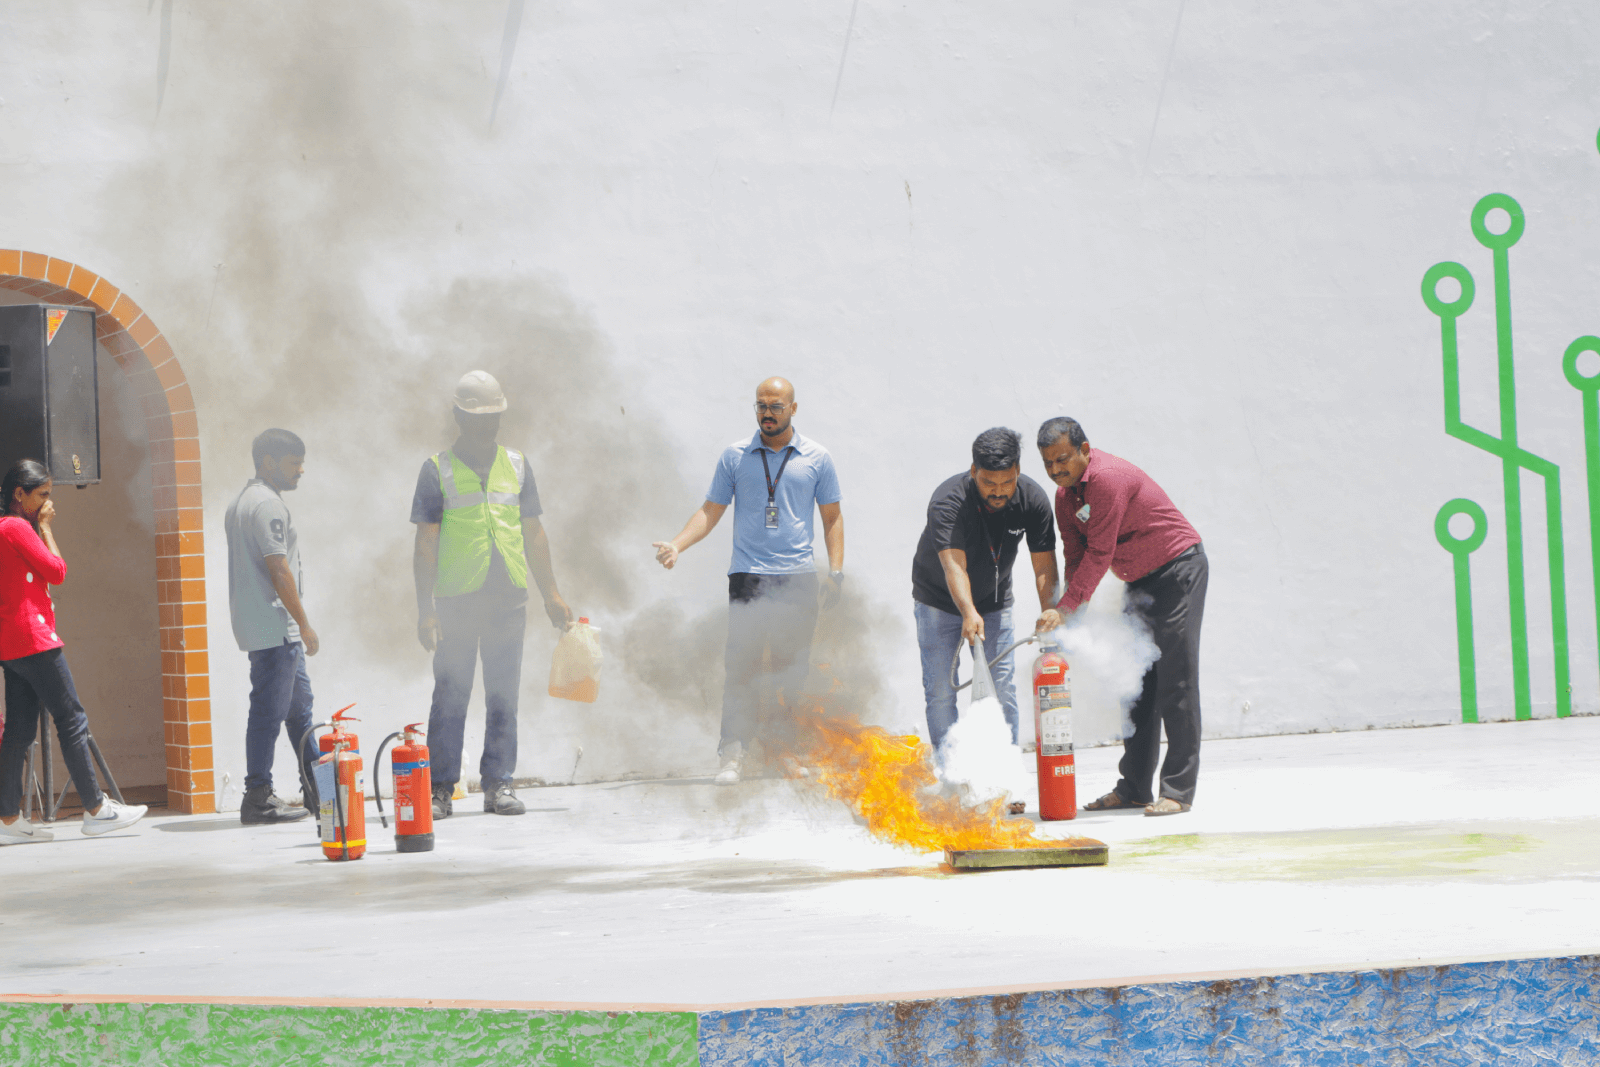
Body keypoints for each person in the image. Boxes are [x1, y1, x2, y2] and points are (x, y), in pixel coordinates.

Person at [653, 377, 844, 785]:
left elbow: (832, 517)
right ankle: (733, 753)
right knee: (742, 666)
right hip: (748, 576)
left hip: (797, 579)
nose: (767, 414)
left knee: (792, 669)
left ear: (793, 409)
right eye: (761, 406)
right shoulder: (735, 456)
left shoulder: (817, 458)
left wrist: (837, 572)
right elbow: (710, 510)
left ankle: (784, 752)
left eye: (775, 406)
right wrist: (677, 545)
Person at [414, 371, 574, 819]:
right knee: (451, 693)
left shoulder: (518, 465)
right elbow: (426, 542)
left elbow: (533, 531)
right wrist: (425, 610)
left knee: (503, 695)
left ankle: (499, 783)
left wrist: (551, 594)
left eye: (494, 417)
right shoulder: (436, 469)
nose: (487, 426)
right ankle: (440, 788)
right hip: (457, 602)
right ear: (459, 417)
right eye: (478, 418)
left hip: (508, 600)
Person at [1035, 416, 1206, 817]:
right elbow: (1075, 555)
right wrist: (1070, 615)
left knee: (1176, 681)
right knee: (1137, 683)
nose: (1056, 470)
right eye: (1048, 463)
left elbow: (1100, 553)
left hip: (1178, 571)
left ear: (1084, 450)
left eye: (1062, 459)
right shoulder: (1065, 497)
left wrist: (1066, 610)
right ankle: (1134, 789)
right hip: (1139, 581)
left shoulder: (1107, 479)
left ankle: (1178, 790)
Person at [0, 460, 147, 843]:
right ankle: (97, 810)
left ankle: (8, 820)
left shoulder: (4, 528)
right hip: (35, 638)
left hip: (12, 643)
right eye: (42, 495)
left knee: (18, 731)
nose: (48, 503)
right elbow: (57, 570)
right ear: (19, 494)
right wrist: (46, 527)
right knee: (71, 719)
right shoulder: (16, 527)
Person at [911, 428, 1058, 765]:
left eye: (1007, 482)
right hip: (939, 601)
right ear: (973, 471)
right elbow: (953, 566)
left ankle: (1005, 774)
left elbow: (1044, 563)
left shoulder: (1032, 499)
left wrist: (1050, 610)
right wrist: (967, 610)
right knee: (941, 692)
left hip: (995, 602)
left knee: (1001, 687)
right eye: (989, 483)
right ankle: (951, 775)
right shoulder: (948, 501)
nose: (998, 491)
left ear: (1018, 470)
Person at [225, 429, 320, 825]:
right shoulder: (267, 505)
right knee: (268, 712)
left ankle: (318, 790)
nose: (301, 470)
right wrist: (305, 624)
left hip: (267, 626)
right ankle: (258, 796)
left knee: (299, 710)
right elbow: (279, 568)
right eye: (293, 462)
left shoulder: (242, 502)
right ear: (268, 462)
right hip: (276, 626)